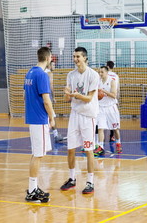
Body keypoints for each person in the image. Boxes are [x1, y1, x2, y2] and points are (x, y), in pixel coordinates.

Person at [60, 46, 99, 194]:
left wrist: (75, 95)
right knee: (70, 148)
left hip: (88, 116)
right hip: (75, 114)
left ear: (85, 58)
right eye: (74, 56)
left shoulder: (93, 75)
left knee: (89, 150)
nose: (75, 59)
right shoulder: (71, 75)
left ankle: (90, 182)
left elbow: (89, 98)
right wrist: (67, 94)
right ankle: (72, 179)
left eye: (78, 56)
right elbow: (66, 99)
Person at [24, 47, 55, 202]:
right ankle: (31, 191)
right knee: (38, 155)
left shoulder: (29, 72)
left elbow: (25, 96)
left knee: (36, 154)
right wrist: (52, 117)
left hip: (32, 118)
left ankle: (33, 187)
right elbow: (46, 100)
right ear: (49, 58)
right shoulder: (42, 75)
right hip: (39, 119)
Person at [95, 66, 122, 156]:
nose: (100, 74)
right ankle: (101, 147)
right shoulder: (97, 82)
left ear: (107, 72)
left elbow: (114, 95)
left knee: (115, 128)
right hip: (101, 107)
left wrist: (103, 91)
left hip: (111, 107)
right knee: (100, 128)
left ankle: (118, 144)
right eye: (99, 72)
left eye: (102, 72)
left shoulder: (112, 81)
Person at [45, 60, 66, 143]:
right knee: (51, 117)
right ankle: (55, 135)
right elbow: (51, 85)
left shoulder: (41, 71)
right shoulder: (49, 73)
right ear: (49, 65)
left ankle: (55, 134)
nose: (54, 66)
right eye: (53, 65)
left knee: (49, 117)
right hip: (47, 98)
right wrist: (53, 97)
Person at [106, 61, 120, 142]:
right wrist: (117, 99)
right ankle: (112, 136)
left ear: (107, 66)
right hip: (113, 100)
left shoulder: (105, 75)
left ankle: (99, 140)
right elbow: (117, 88)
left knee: (101, 121)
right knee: (113, 121)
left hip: (104, 99)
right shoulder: (116, 75)